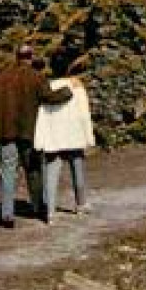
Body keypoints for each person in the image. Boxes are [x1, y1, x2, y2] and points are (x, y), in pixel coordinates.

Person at [0, 45, 72, 229]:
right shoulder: (35, 77)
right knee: (33, 170)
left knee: (7, 172)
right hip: (28, 132)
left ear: (16, 57)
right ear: (30, 57)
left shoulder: (0, 79)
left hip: (5, 132)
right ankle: (37, 206)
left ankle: (7, 214)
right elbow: (49, 97)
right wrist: (68, 90)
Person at [33, 76, 96, 221]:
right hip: (74, 134)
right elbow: (84, 114)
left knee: (51, 173)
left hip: (53, 137)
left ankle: (50, 212)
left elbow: (41, 116)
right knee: (77, 169)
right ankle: (81, 204)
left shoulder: (48, 86)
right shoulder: (77, 86)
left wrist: (40, 139)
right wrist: (88, 136)